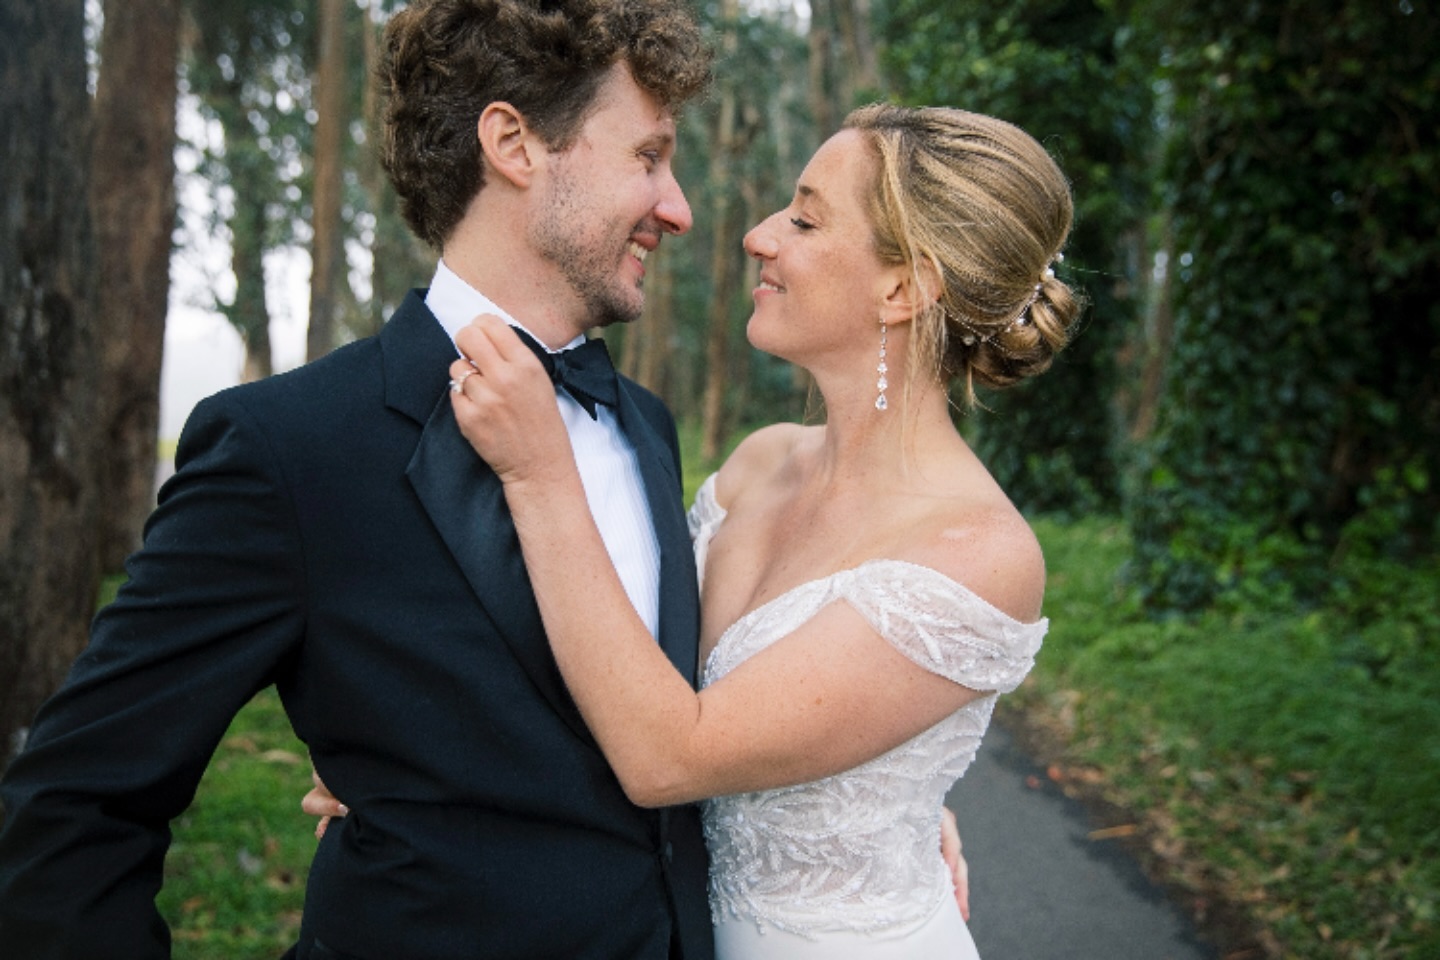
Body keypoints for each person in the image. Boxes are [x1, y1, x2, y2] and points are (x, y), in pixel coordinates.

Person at [0, 1, 717, 958]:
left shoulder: (649, 428)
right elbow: (74, 806)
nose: (679, 207)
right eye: (648, 156)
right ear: (513, 143)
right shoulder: (288, 449)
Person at [438, 104, 1081, 958]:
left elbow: (670, 754)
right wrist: (418, 759)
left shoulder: (979, 555)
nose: (757, 235)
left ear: (904, 287)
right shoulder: (759, 463)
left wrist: (538, 473)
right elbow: (619, 653)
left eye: (806, 219)